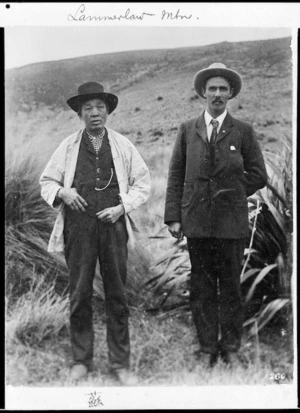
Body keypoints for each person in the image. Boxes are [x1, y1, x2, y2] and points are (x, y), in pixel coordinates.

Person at [40, 82, 151, 384]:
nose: (94, 113)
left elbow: (143, 184)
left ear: (108, 111)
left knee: (117, 294)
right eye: (87, 108)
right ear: (79, 113)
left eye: (99, 107)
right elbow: (47, 182)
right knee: (79, 293)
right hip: (78, 229)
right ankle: (81, 361)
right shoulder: (68, 146)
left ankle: (120, 364)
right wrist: (63, 192)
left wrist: (121, 207)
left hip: (114, 227)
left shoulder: (123, 145)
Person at [164, 63, 268, 368]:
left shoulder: (244, 131)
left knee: (231, 287)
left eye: (223, 89)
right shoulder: (187, 130)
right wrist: (174, 216)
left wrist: (232, 192)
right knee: (202, 286)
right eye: (213, 89)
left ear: (231, 93)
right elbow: (175, 174)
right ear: (203, 93)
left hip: (231, 223)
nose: (218, 94)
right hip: (197, 222)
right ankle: (207, 348)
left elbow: (259, 175)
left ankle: (232, 346)